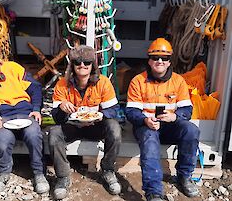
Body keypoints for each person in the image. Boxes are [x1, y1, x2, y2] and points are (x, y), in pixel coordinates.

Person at [0, 38, 49, 194]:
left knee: (34, 135)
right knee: (2, 140)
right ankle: (3, 172)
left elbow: (35, 88)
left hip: (25, 112)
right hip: (3, 116)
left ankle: (39, 173)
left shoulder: (12, 68)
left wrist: (36, 109)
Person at [126, 38, 200, 201]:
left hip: (170, 125)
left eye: (164, 58)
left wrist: (175, 116)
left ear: (169, 61)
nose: (159, 61)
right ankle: (154, 192)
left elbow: (187, 109)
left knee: (191, 130)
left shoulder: (178, 81)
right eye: (155, 57)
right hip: (146, 125)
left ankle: (184, 177)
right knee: (150, 141)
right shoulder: (138, 81)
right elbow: (131, 111)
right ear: (149, 60)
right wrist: (145, 120)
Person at [49, 45, 122, 200]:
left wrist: (101, 116)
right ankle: (62, 177)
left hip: (96, 126)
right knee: (54, 133)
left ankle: (108, 170)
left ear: (92, 65)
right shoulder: (62, 84)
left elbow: (113, 110)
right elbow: (56, 118)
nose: (82, 65)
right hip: (72, 126)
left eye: (87, 62)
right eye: (78, 62)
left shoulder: (103, 83)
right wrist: (61, 108)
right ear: (72, 65)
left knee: (114, 129)